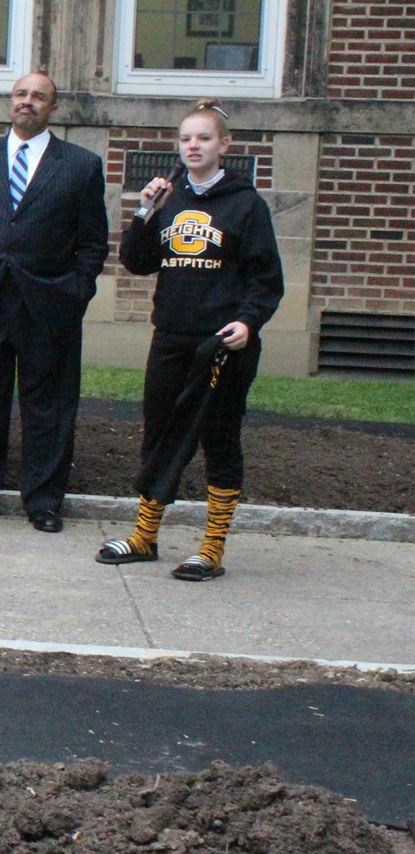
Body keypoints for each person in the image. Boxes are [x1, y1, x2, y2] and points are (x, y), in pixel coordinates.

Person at [97, 100, 282, 581]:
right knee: (158, 432)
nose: (193, 146)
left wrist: (249, 321)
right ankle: (144, 535)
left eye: (203, 138)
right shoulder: (170, 199)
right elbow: (138, 262)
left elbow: (266, 279)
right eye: (185, 139)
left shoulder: (246, 205)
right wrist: (144, 211)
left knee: (218, 438)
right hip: (171, 337)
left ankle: (212, 547)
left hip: (222, 344)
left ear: (225, 145)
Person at [0, 72, 108, 532]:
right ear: (10, 102)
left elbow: (93, 244)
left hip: (49, 305)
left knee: (49, 409)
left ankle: (44, 502)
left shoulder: (80, 166)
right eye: (21, 94)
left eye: (39, 96)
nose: (27, 102)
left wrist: (76, 291)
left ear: (53, 108)